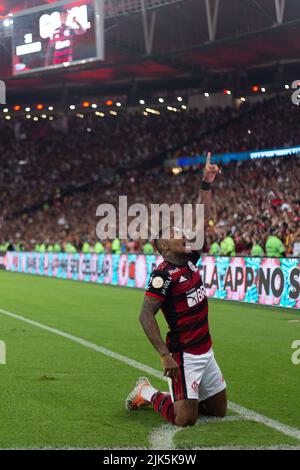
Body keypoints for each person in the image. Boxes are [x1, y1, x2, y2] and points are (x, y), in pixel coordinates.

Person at [125, 153, 227, 427]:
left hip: (206, 350)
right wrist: (164, 354)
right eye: (174, 233)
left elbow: (203, 219)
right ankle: (146, 391)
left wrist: (206, 182)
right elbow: (146, 315)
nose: (182, 233)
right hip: (184, 355)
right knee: (185, 420)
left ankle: (188, 395)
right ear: (165, 247)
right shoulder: (162, 275)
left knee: (219, 411)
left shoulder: (192, 256)